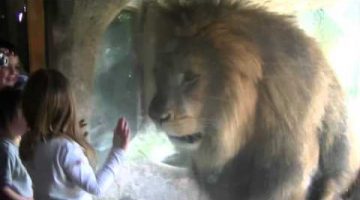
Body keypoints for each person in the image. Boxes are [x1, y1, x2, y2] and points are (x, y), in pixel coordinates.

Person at [19, 69, 130, 200]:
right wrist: (118, 151)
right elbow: (96, 188)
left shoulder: (28, 142)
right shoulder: (64, 148)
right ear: (67, 106)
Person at [0, 87, 33, 200]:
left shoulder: (14, 143)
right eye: (24, 113)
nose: (29, 117)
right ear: (7, 117)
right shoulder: (6, 149)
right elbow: (3, 188)